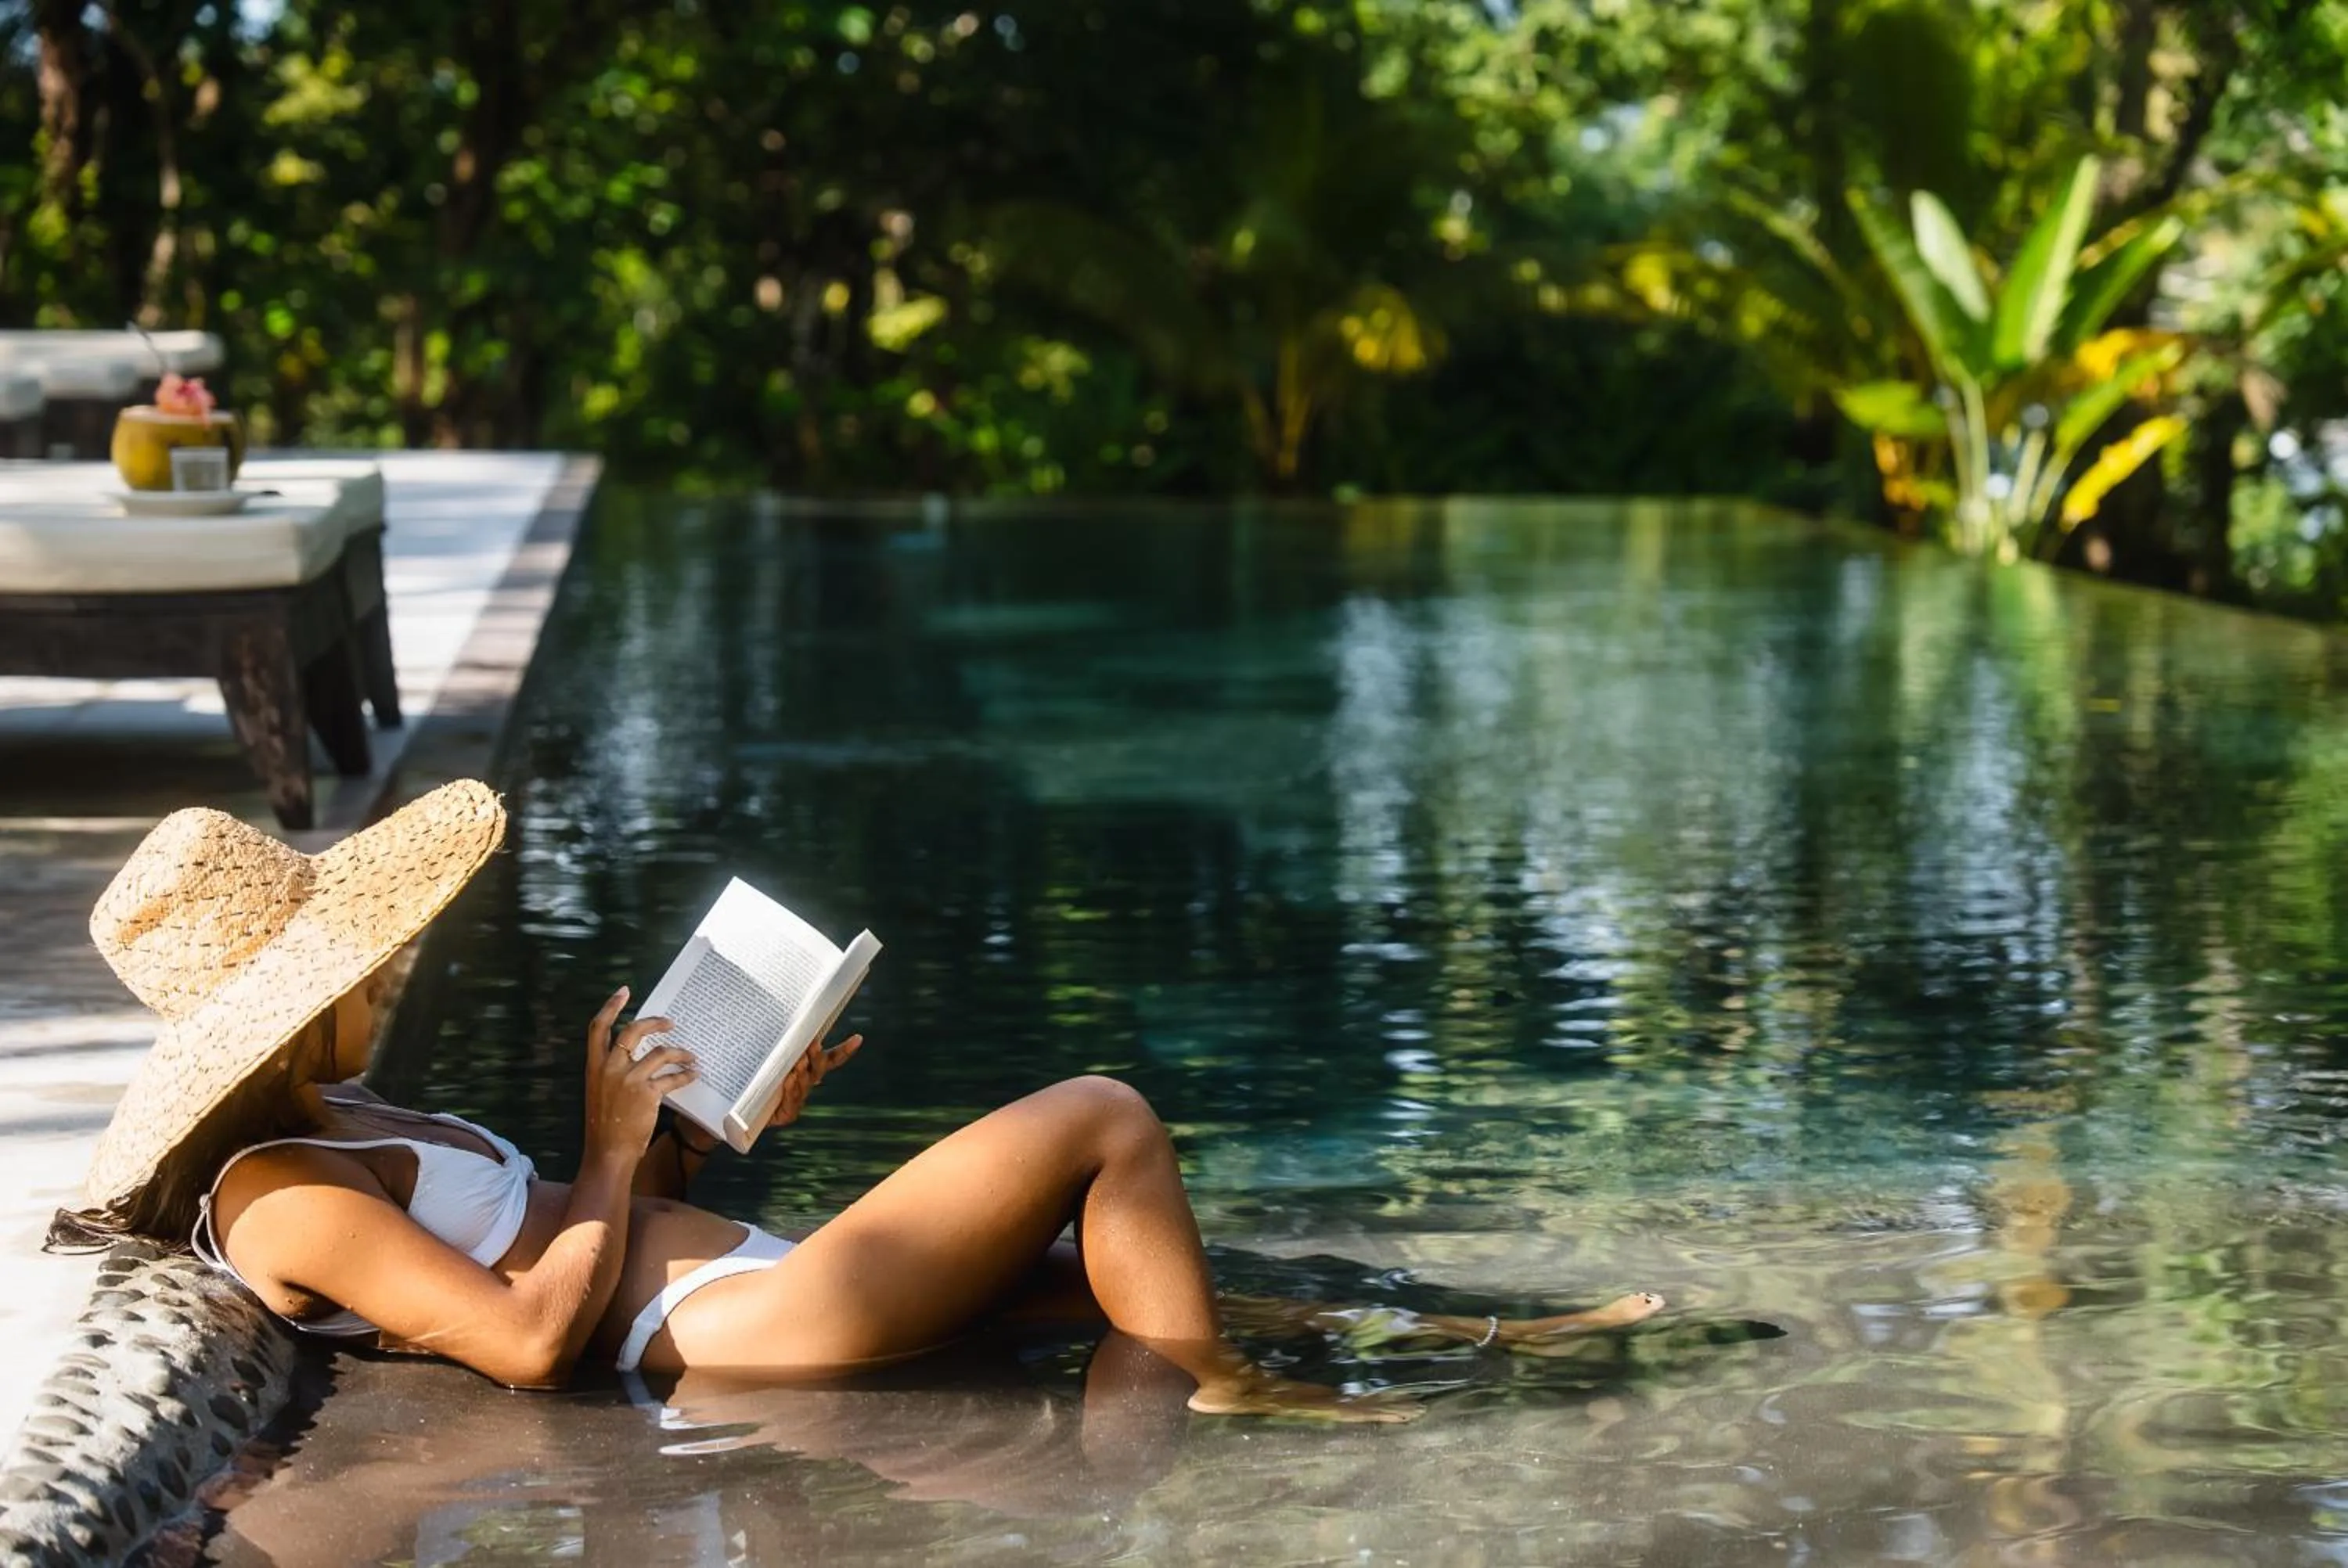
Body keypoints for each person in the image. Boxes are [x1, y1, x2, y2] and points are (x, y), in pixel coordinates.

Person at [53, 780, 1666, 1422]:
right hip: (762, 1326)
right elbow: (531, 1341)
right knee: (1105, 1114)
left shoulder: (348, 1122)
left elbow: (576, 1230)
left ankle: (1491, 1341)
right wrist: (614, 1147)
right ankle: (1234, 1394)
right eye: (362, 969)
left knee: (1103, 1286)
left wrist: (700, 1125)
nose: (388, 980)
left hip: (754, 1276)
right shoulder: (283, 1194)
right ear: (280, 1012)